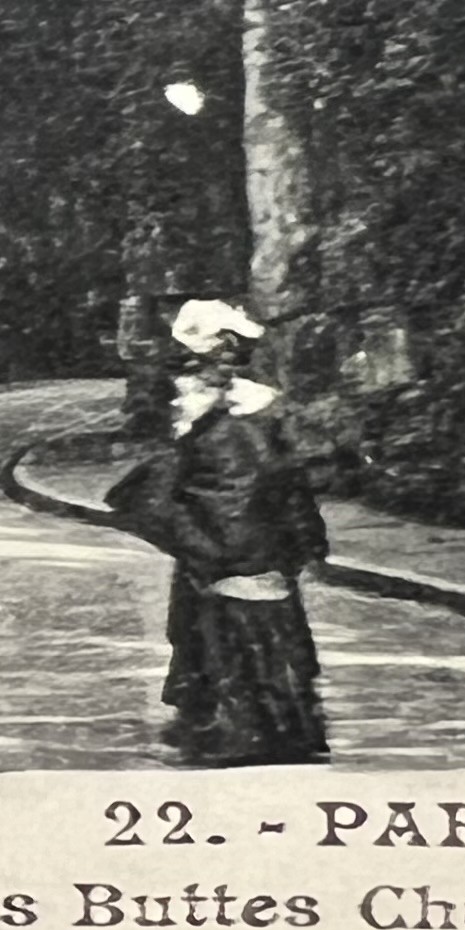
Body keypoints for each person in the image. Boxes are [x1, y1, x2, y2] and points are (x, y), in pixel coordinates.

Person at [120, 298, 332, 765]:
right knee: (249, 627)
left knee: (223, 623)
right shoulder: (258, 407)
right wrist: (304, 541)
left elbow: (227, 487)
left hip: (229, 539)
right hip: (255, 540)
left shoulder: (217, 413)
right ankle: (269, 726)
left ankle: (231, 727)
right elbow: (292, 480)